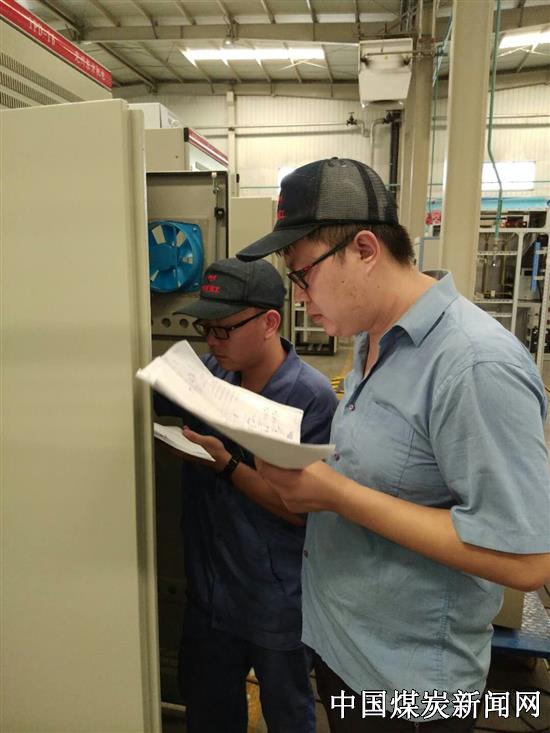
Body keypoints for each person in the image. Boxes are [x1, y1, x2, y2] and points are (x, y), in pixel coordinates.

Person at [236, 157, 550, 732]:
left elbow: (526, 560)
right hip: (343, 650)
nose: (300, 297)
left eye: (303, 275)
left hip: (410, 689)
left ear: (363, 249)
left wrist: (335, 496)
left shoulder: (474, 365)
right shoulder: (371, 339)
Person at [154, 257, 338, 733]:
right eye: (206, 329)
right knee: (209, 714)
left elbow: (303, 512)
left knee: (288, 715)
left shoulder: (309, 397)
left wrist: (227, 465)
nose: (212, 342)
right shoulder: (211, 376)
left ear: (270, 322)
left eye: (224, 330)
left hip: (275, 601)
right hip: (210, 596)